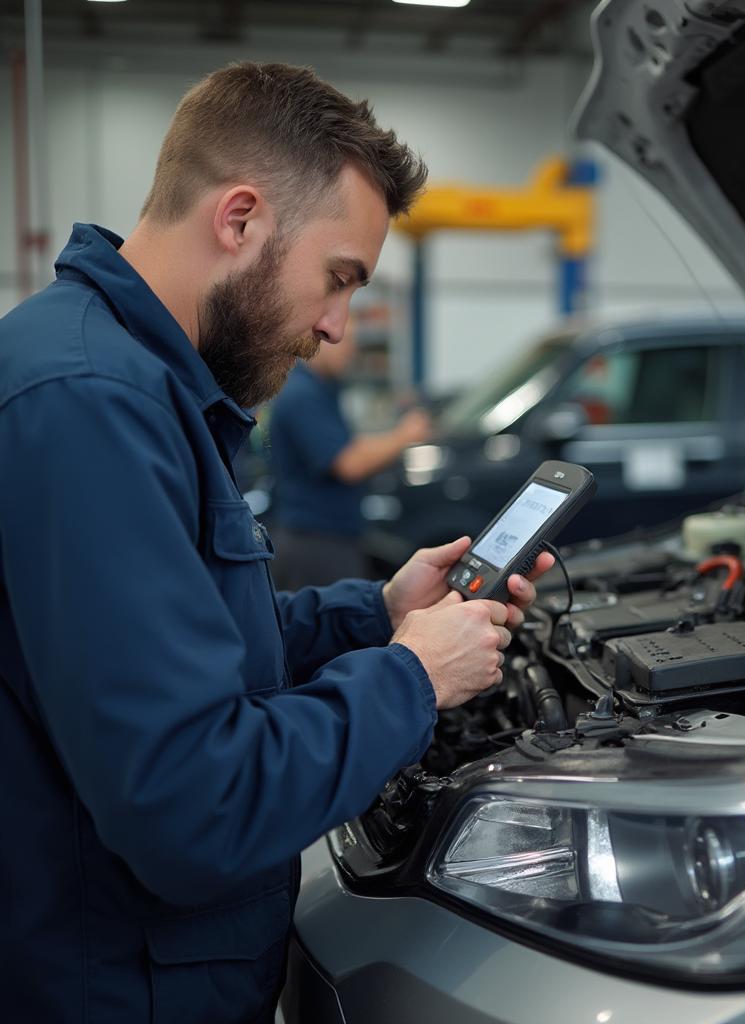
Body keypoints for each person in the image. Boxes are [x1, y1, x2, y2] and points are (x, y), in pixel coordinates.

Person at [0, 62, 554, 1024]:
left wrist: (378, 615)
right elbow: (195, 805)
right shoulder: (94, 404)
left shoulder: (130, 383)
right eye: (339, 278)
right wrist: (411, 680)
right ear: (242, 218)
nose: (337, 328)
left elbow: (195, 641)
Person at [269, 316, 431, 586]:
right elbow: (348, 462)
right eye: (345, 340)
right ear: (319, 336)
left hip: (328, 538)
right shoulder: (303, 394)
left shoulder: (322, 389)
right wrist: (405, 434)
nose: (350, 349)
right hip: (316, 544)